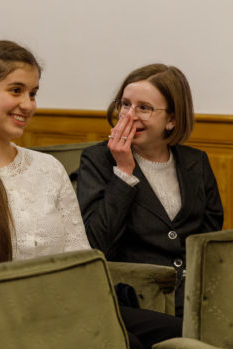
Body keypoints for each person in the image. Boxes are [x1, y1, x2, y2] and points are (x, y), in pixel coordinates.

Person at [0, 41, 181, 349]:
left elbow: (82, 261)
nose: (28, 104)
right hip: (0, 325)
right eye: (16, 90)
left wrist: (89, 309)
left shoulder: (48, 168)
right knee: (128, 348)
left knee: (183, 334)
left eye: (33, 93)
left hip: (68, 309)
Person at [76, 64, 224, 317]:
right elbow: (95, 245)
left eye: (144, 108)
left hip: (196, 294)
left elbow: (210, 236)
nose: (129, 116)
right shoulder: (98, 160)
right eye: (125, 104)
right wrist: (124, 173)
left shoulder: (196, 162)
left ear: (171, 120)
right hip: (135, 299)